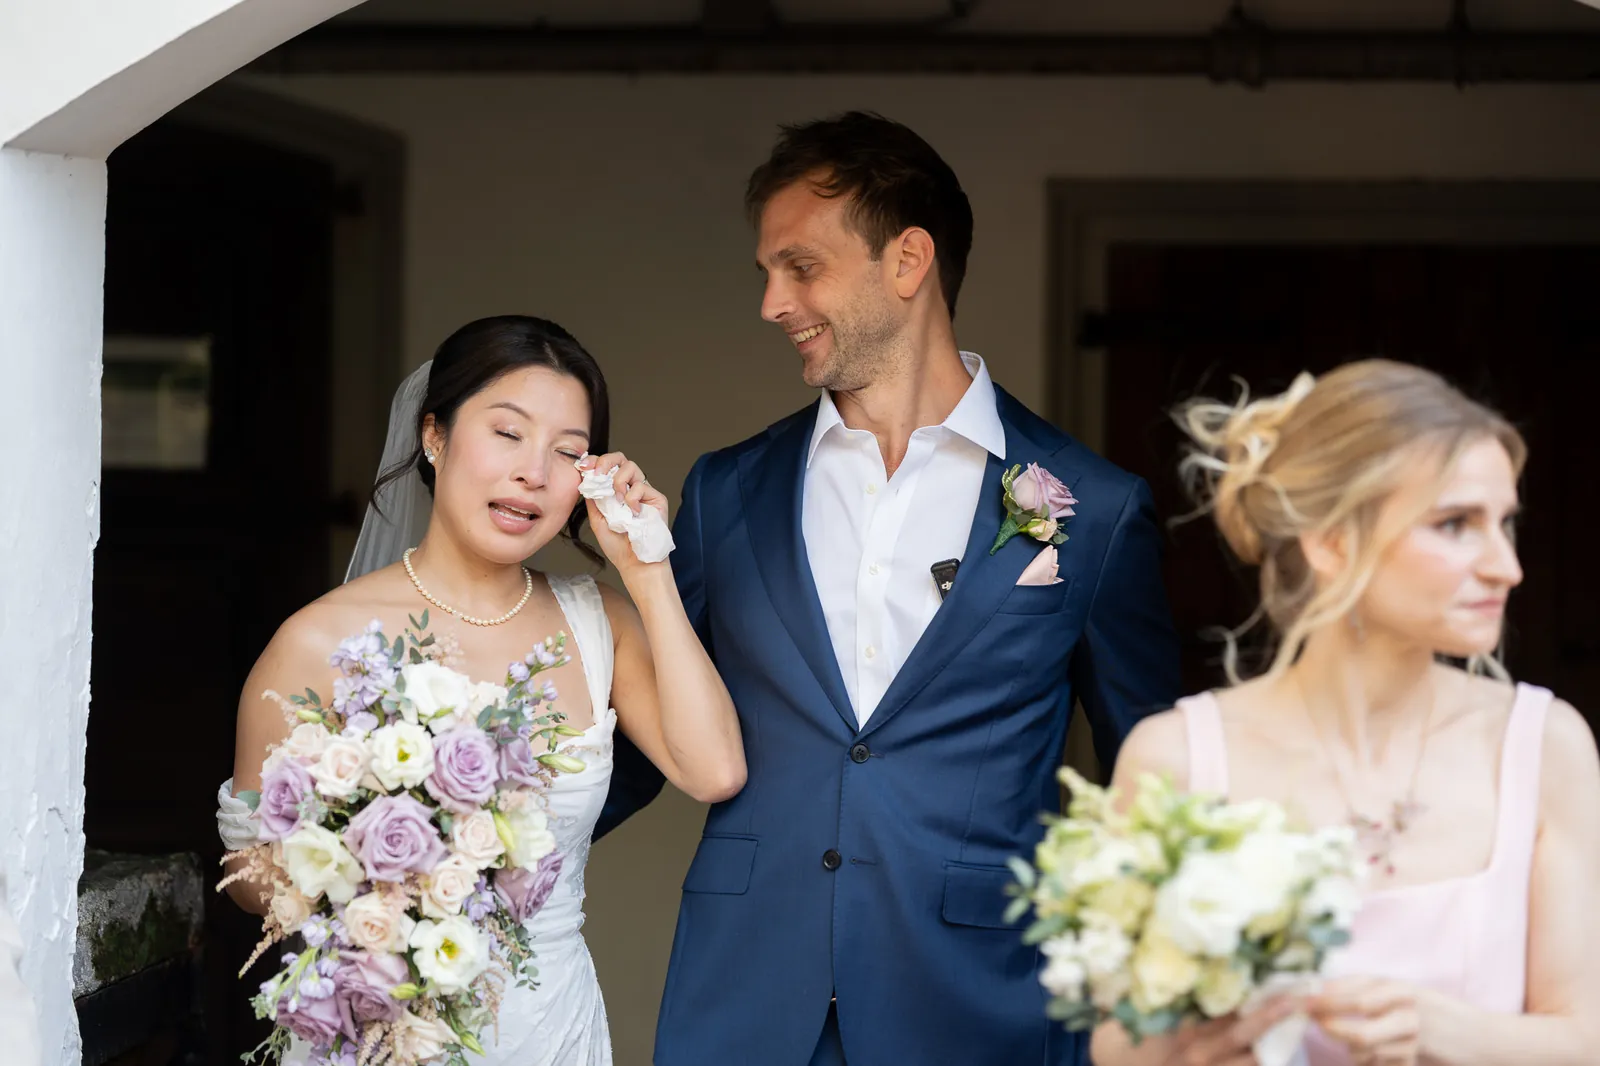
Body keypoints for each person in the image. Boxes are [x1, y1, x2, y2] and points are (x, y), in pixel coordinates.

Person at [611, 111, 1181, 1066]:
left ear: (908, 261)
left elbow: (1156, 774)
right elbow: (654, 723)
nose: (771, 303)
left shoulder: (1100, 510)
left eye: (800, 267)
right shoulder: (726, 491)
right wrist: (479, 852)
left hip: (981, 1003)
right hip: (747, 994)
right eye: (766, 273)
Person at [218, 315, 745, 1065]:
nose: (535, 471)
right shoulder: (315, 642)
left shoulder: (601, 623)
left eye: (568, 451)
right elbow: (249, 879)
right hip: (384, 1029)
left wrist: (646, 572)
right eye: (507, 433)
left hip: (552, 1028)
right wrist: (382, 871)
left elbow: (714, 769)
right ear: (434, 437)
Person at [1095, 359, 1600, 1066]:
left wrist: (1440, 1031)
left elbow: (1584, 1039)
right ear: (1330, 542)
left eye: (1504, 524)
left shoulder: (1545, 746)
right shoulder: (1177, 757)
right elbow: (1118, 1044)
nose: (1505, 567)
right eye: (1456, 524)